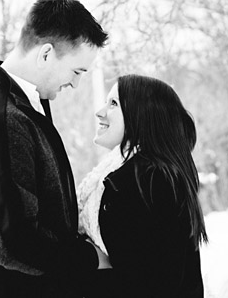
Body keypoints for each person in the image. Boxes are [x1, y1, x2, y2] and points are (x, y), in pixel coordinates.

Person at [0, 0, 110, 298]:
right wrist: (92, 260)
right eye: (77, 72)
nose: (75, 85)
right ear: (46, 54)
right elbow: (14, 244)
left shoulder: (23, 109)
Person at [77, 75, 207, 298]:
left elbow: (151, 283)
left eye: (114, 104)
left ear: (142, 115)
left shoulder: (150, 179)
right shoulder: (127, 174)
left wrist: (90, 264)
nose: (100, 112)